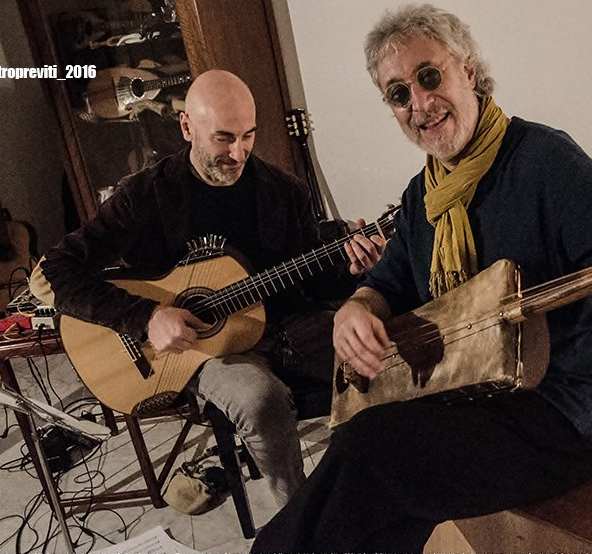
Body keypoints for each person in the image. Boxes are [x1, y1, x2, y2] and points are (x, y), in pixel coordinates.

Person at [252, 4, 592, 552]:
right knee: (374, 492)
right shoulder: (423, 195)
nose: (419, 103)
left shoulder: (548, 163)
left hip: (560, 417)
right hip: (463, 395)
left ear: (469, 70)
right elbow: (388, 279)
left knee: (368, 451)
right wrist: (356, 307)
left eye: (429, 76)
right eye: (399, 94)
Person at [38, 69, 385, 504]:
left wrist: (352, 267)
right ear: (187, 127)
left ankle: (376, 491)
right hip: (207, 348)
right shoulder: (145, 196)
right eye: (223, 138)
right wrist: (146, 317)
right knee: (261, 402)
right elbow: (59, 268)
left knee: (382, 354)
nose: (238, 153)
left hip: (287, 326)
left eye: (247, 136)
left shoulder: (283, 191)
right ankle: (299, 519)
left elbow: (311, 276)